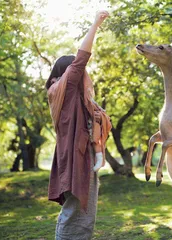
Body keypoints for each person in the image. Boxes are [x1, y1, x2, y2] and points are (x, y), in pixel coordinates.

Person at [45, 10, 111, 240]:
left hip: (80, 154)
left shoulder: (65, 94)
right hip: (76, 156)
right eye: (78, 71)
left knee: (83, 209)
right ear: (68, 73)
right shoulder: (66, 87)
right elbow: (82, 56)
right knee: (77, 210)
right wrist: (96, 23)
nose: (84, 75)